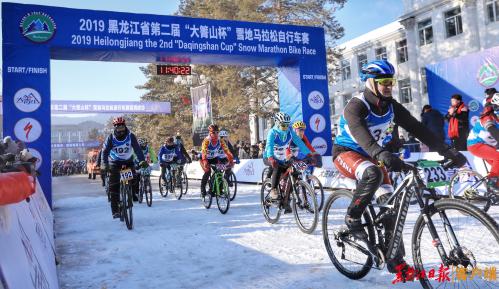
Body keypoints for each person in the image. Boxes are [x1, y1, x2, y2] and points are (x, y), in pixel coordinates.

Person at [333, 60, 466, 275]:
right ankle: (353, 216)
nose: (388, 86)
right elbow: (361, 135)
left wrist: (446, 150)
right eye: (383, 81)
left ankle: (396, 262)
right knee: (372, 172)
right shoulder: (356, 106)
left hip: (375, 155)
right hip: (347, 153)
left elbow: (417, 128)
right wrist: (381, 153)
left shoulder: (392, 106)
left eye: (391, 81)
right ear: (370, 83)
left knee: (390, 207)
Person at [101, 117, 148, 219]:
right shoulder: (110, 137)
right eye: (118, 127)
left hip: (127, 162)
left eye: (122, 127)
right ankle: (115, 211)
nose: (121, 129)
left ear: (125, 126)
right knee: (114, 187)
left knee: (134, 179)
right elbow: (104, 152)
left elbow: (137, 150)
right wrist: (105, 164)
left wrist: (142, 160)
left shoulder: (131, 136)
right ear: (115, 128)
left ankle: (130, 193)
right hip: (114, 163)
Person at [263, 112, 312, 205]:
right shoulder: (272, 132)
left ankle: (286, 200)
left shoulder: (289, 131)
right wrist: (270, 158)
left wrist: (308, 154)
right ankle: (273, 190)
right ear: (277, 123)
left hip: (282, 158)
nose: (285, 127)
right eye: (283, 125)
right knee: (277, 168)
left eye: (287, 125)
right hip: (269, 157)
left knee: (294, 172)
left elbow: (299, 142)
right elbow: (269, 146)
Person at [468, 92, 499, 193]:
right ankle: (491, 183)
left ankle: (494, 192)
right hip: (475, 144)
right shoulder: (487, 117)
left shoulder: (496, 115)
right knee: (498, 157)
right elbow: (493, 131)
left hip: (488, 145)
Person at [200, 124, 234, 197]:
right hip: (204, 159)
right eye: (213, 132)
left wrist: (231, 160)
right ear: (210, 133)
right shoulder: (206, 140)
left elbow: (227, 151)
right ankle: (202, 189)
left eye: (217, 132)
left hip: (214, 158)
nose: (215, 134)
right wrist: (205, 161)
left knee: (219, 172)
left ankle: (217, 189)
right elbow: (204, 152)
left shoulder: (220, 140)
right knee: (208, 172)